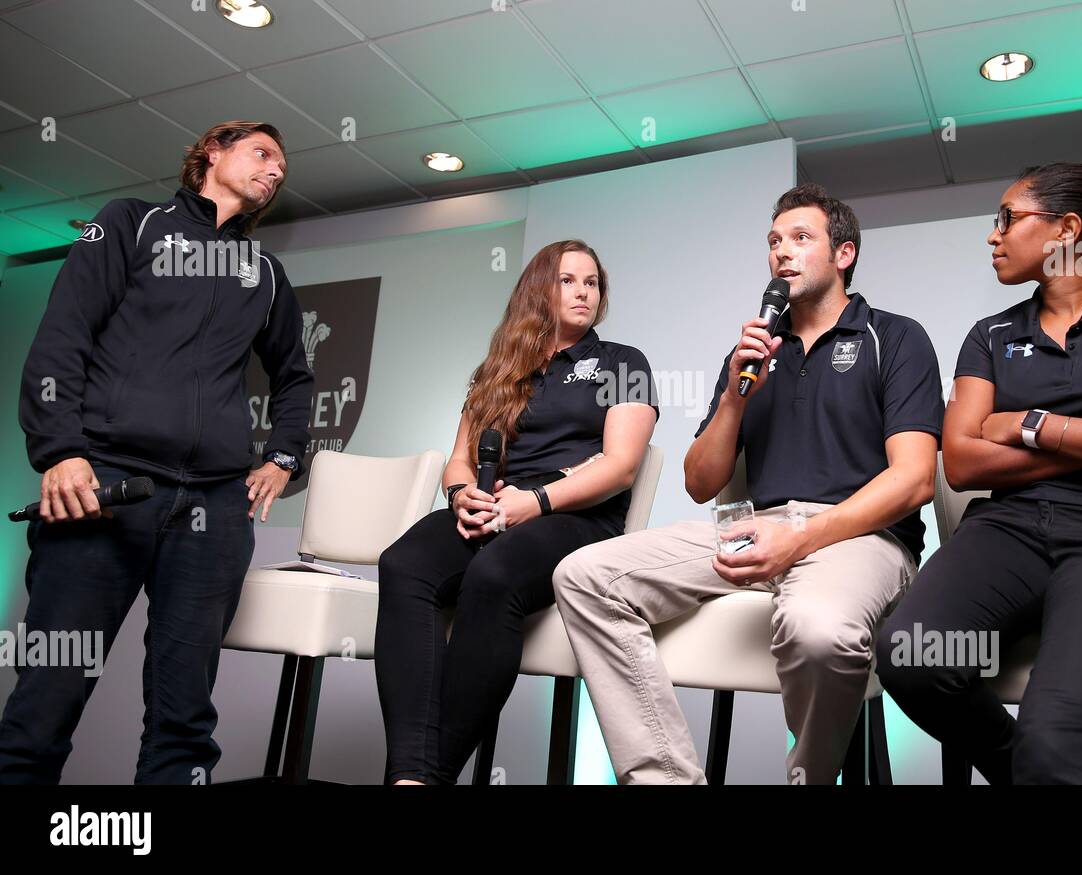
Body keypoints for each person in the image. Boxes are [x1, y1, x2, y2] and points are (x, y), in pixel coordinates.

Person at [553, 183, 945, 784]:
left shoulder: (894, 337)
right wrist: (737, 398)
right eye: (773, 242)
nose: (781, 253)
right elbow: (699, 482)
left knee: (820, 631)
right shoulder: (753, 353)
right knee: (583, 577)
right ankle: (667, 779)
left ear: (845, 254)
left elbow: (915, 478)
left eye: (800, 238)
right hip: (754, 527)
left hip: (860, 535)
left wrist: (803, 538)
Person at [875, 162, 1082, 784]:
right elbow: (962, 461)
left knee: (1053, 746)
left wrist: (1029, 424)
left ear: (1066, 229)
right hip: (1008, 529)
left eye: (1007, 218)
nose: (993, 235)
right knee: (908, 654)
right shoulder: (991, 335)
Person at [0, 120, 313, 784]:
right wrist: (59, 450)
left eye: (283, 165)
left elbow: (294, 376)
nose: (276, 171)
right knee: (44, 702)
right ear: (211, 153)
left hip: (213, 511)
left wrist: (284, 456)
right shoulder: (128, 225)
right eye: (263, 154)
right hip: (104, 490)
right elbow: (63, 336)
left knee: (184, 718)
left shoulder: (265, 273)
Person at [375, 240, 657, 785]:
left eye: (592, 282)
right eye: (568, 280)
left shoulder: (625, 362)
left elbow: (621, 467)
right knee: (403, 563)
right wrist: (463, 497)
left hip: (577, 516)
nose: (583, 292)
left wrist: (538, 501)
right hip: (498, 506)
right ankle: (408, 774)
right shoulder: (498, 370)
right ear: (537, 291)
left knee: (494, 573)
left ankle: (432, 775)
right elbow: (458, 460)